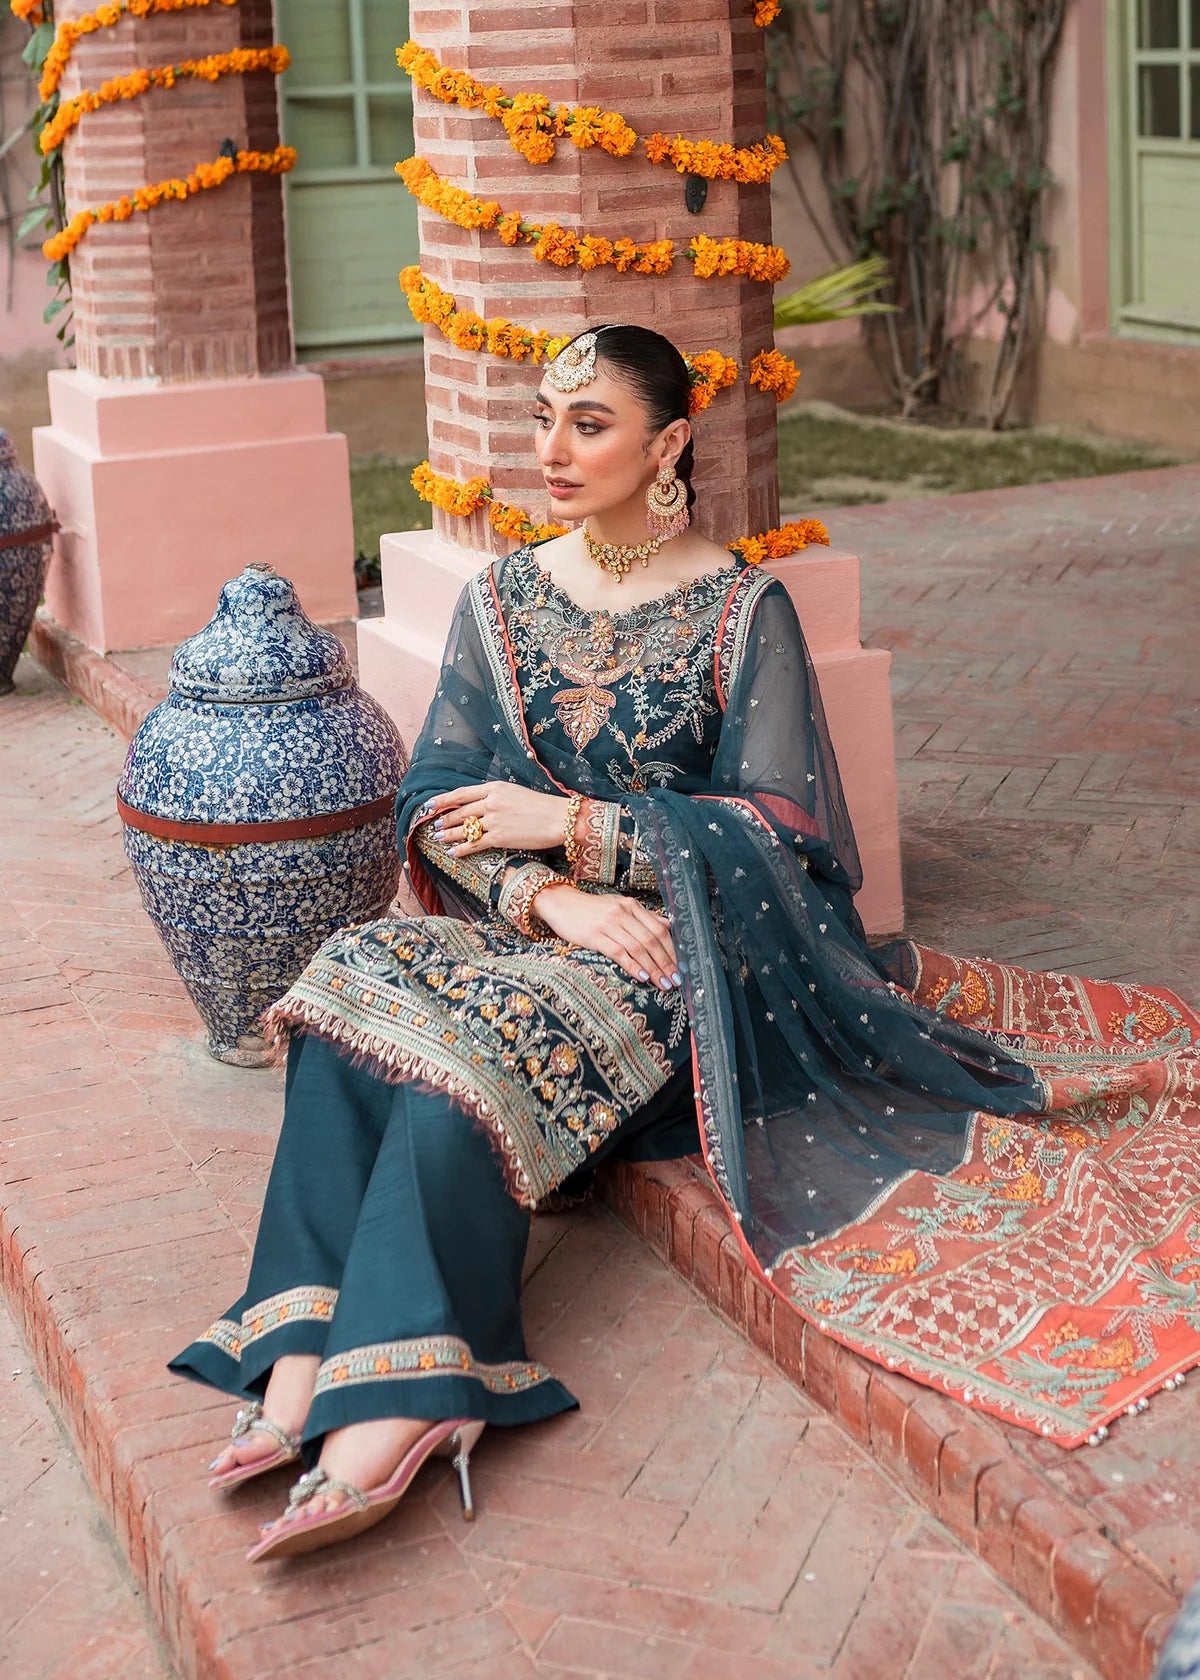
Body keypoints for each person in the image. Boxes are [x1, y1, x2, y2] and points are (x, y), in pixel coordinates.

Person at [171, 324, 1200, 1562]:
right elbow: (436, 795)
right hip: (533, 925)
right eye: (543, 418)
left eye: (589, 424)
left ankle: (411, 1390)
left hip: (682, 954)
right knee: (345, 991)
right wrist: (545, 897)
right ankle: (298, 1351)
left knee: (466, 1071)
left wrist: (583, 831)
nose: (552, 449)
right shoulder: (504, 600)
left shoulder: (739, 609)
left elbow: (784, 835)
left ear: (667, 447)